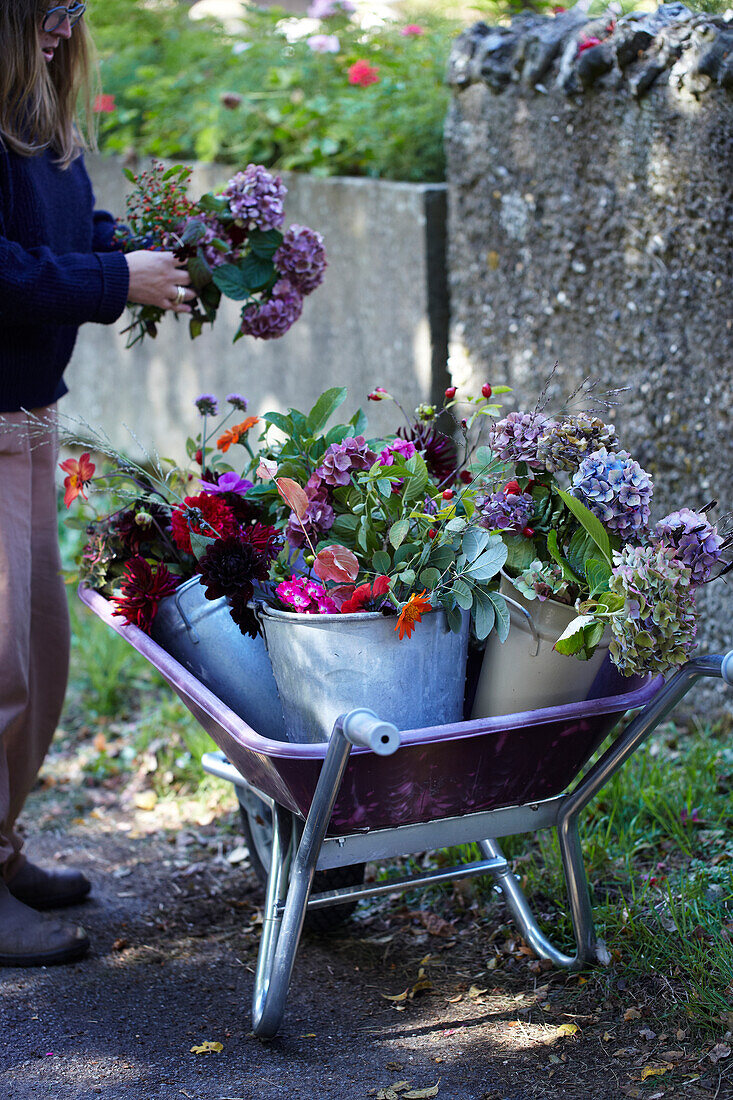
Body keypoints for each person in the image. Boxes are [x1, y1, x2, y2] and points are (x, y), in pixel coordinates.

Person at [0, 1, 197, 967]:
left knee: (35, 665)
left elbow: (77, 233)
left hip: (27, 421)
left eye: (73, 8)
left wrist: (161, 251)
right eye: (43, 8)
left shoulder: (38, 121)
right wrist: (119, 281)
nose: (61, 24)